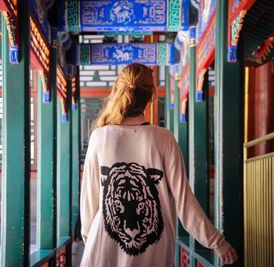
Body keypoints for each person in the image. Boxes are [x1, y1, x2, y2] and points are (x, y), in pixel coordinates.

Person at [80, 63, 237, 267]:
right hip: (154, 255)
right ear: (150, 97)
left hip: (103, 253)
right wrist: (217, 242)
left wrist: (91, 240)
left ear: (117, 90)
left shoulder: (99, 137)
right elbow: (185, 202)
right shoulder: (164, 139)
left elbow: (89, 206)